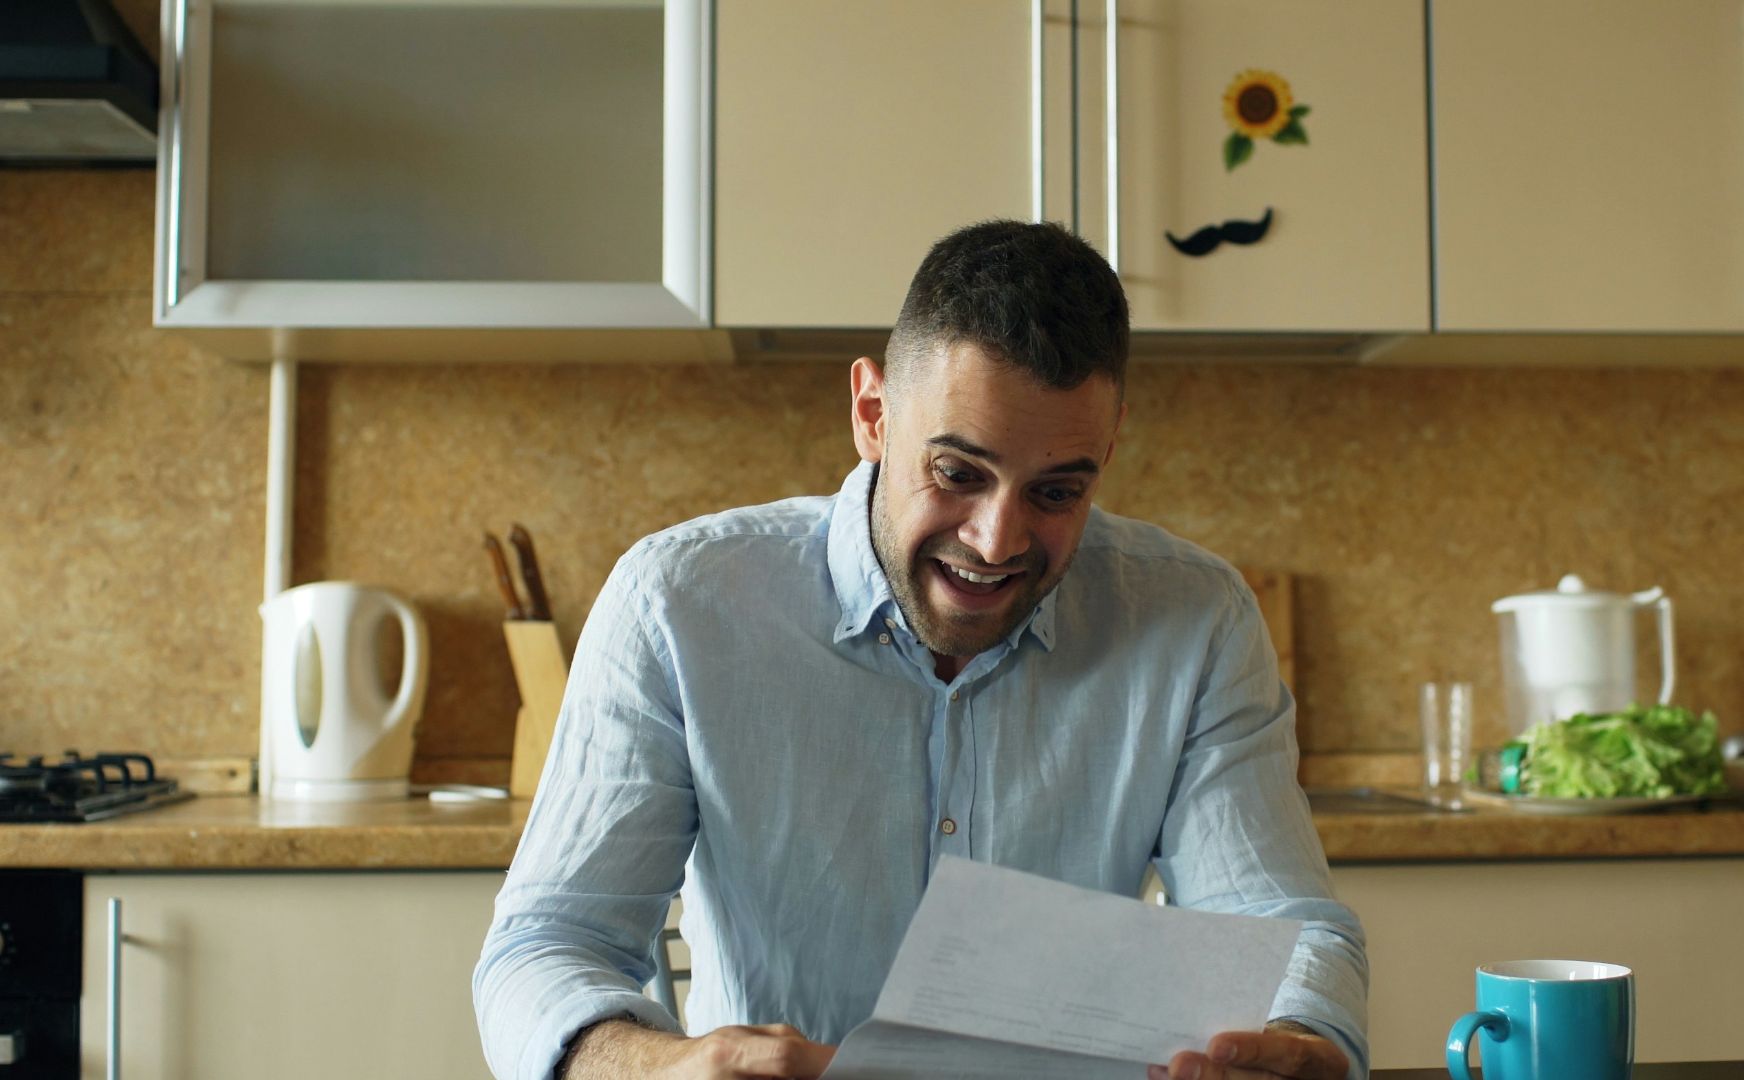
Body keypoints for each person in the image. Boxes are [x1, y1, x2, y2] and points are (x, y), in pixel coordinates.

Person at [473, 220, 1368, 1080]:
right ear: (872, 412)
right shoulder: (678, 603)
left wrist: (1295, 1040)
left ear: (1109, 445)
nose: (996, 541)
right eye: (958, 473)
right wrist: (654, 1067)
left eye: (1056, 491)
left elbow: (1280, 928)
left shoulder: (1198, 619)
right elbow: (544, 945)